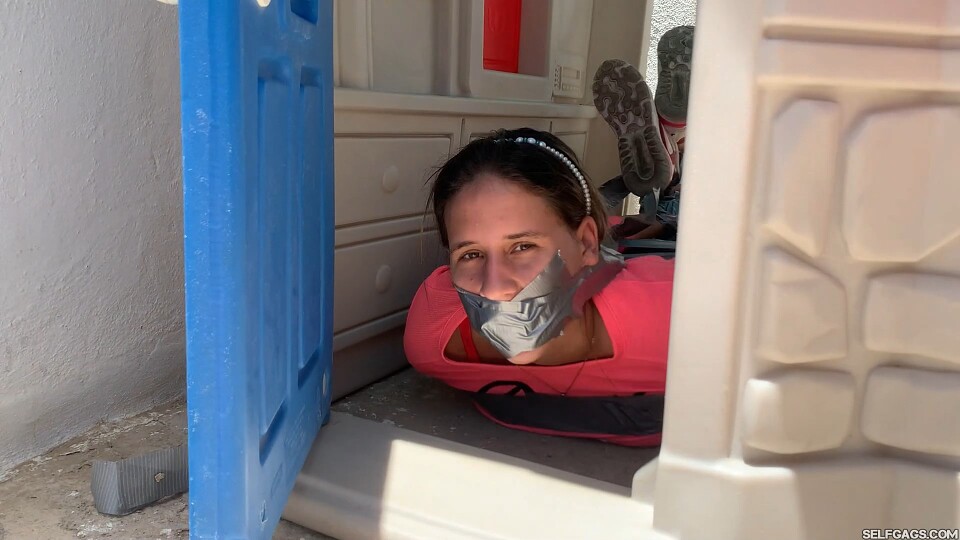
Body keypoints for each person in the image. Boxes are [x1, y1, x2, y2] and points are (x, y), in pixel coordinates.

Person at [403, 127, 674, 445]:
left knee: (645, 237)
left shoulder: (676, 319)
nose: (493, 289)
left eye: (522, 247)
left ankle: (666, 179)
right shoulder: (434, 339)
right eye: (471, 254)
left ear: (586, 243)